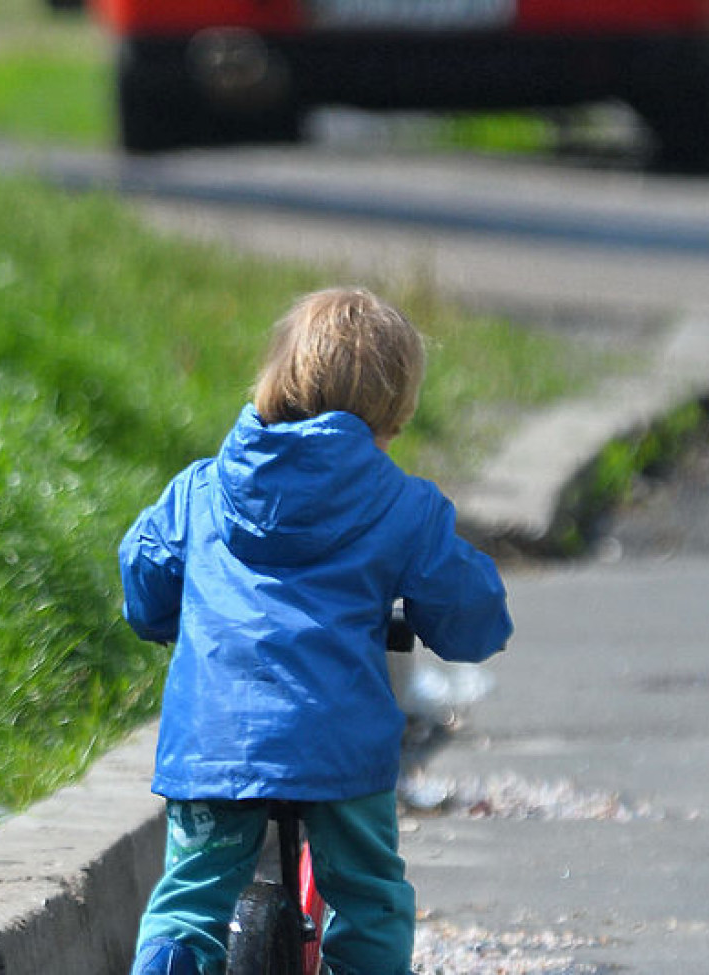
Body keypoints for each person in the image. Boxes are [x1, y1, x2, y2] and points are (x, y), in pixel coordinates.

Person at [119, 287, 513, 975]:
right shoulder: (402, 504)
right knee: (368, 897)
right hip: (337, 747)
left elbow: (143, 575)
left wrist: (163, 618)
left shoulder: (201, 490)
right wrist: (446, 619)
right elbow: (471, 614)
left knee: (190, 900)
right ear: (389, 414)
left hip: (218, 739)